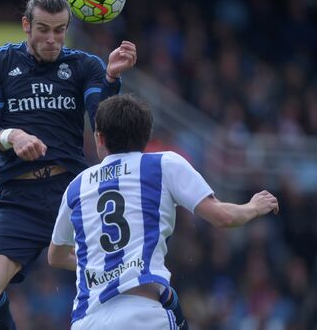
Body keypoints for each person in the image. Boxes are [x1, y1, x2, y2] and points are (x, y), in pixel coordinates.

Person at [0, 0, 137, 329]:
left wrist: (109, 79)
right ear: (26, 25)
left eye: (60, 30)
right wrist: (13, 136)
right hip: (20, 198)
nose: (52, 39)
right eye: (43, 30)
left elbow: (102, 122)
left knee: (127, 279)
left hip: (73, 194)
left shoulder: (85, 66)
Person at [48, 94, 280, 329]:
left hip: (88, 321)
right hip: (144, 316)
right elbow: (223, 217)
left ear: (99, 137)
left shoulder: (77, 186)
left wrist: (103, 268)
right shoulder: (162, 164)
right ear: (146, 136)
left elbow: (55, 256)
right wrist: (253, 207)